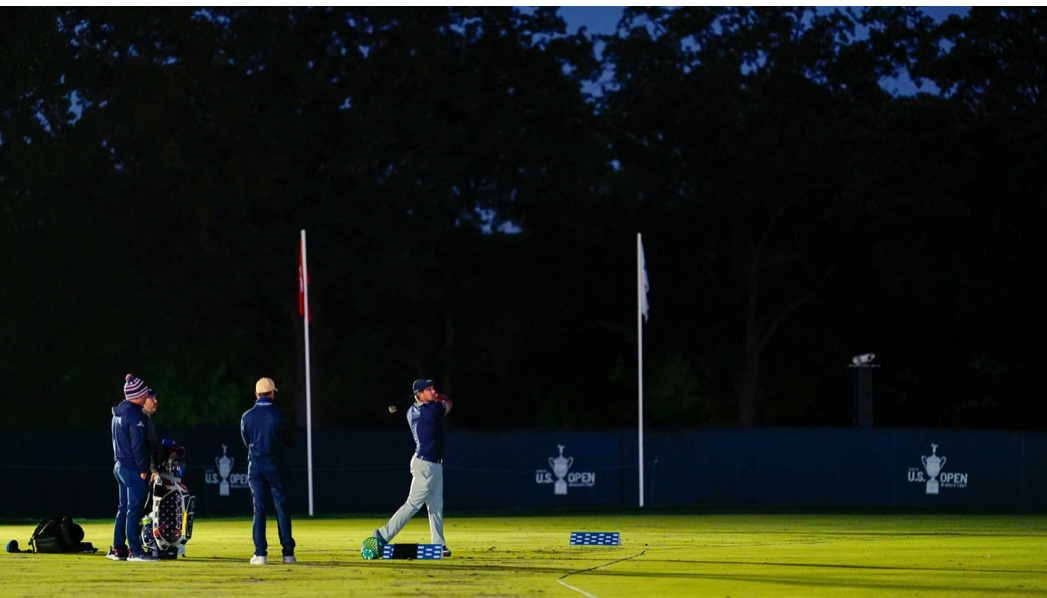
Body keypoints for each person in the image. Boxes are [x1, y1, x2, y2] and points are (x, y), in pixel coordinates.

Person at [374, 378, 453, 558]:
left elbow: (426, 404)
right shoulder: (432, 410)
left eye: (434, 389)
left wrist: (428, 396)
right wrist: (439, 396)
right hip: (426, 465)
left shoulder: (411, 411)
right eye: (429, 390)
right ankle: (383, 534)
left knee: (436, 506)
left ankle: (439, 544)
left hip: (430, 463)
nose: (433, 392)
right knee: (412, 504)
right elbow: (448, 403)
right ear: (419, 394)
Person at [241, 377, 296, 565]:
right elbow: (291, 441)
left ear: (257, 394)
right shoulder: (279, 416)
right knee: (282, 508)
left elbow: (246, 441)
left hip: (256, 467)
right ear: (272, 393)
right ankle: (288, 554)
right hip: (276, 465)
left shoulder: (247, 416)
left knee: (259, 509)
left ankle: (260, 553)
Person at [108, 374, 160, 562]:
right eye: (144, 392)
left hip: (119, 466)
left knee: (123, 508)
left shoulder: (118, 413)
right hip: (132, 468)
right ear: (136, 395)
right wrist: (144, 468)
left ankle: (118, 549)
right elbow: (138, 445)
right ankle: (135, 551)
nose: (147, 395)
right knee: (134, 510)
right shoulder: (136, 415)